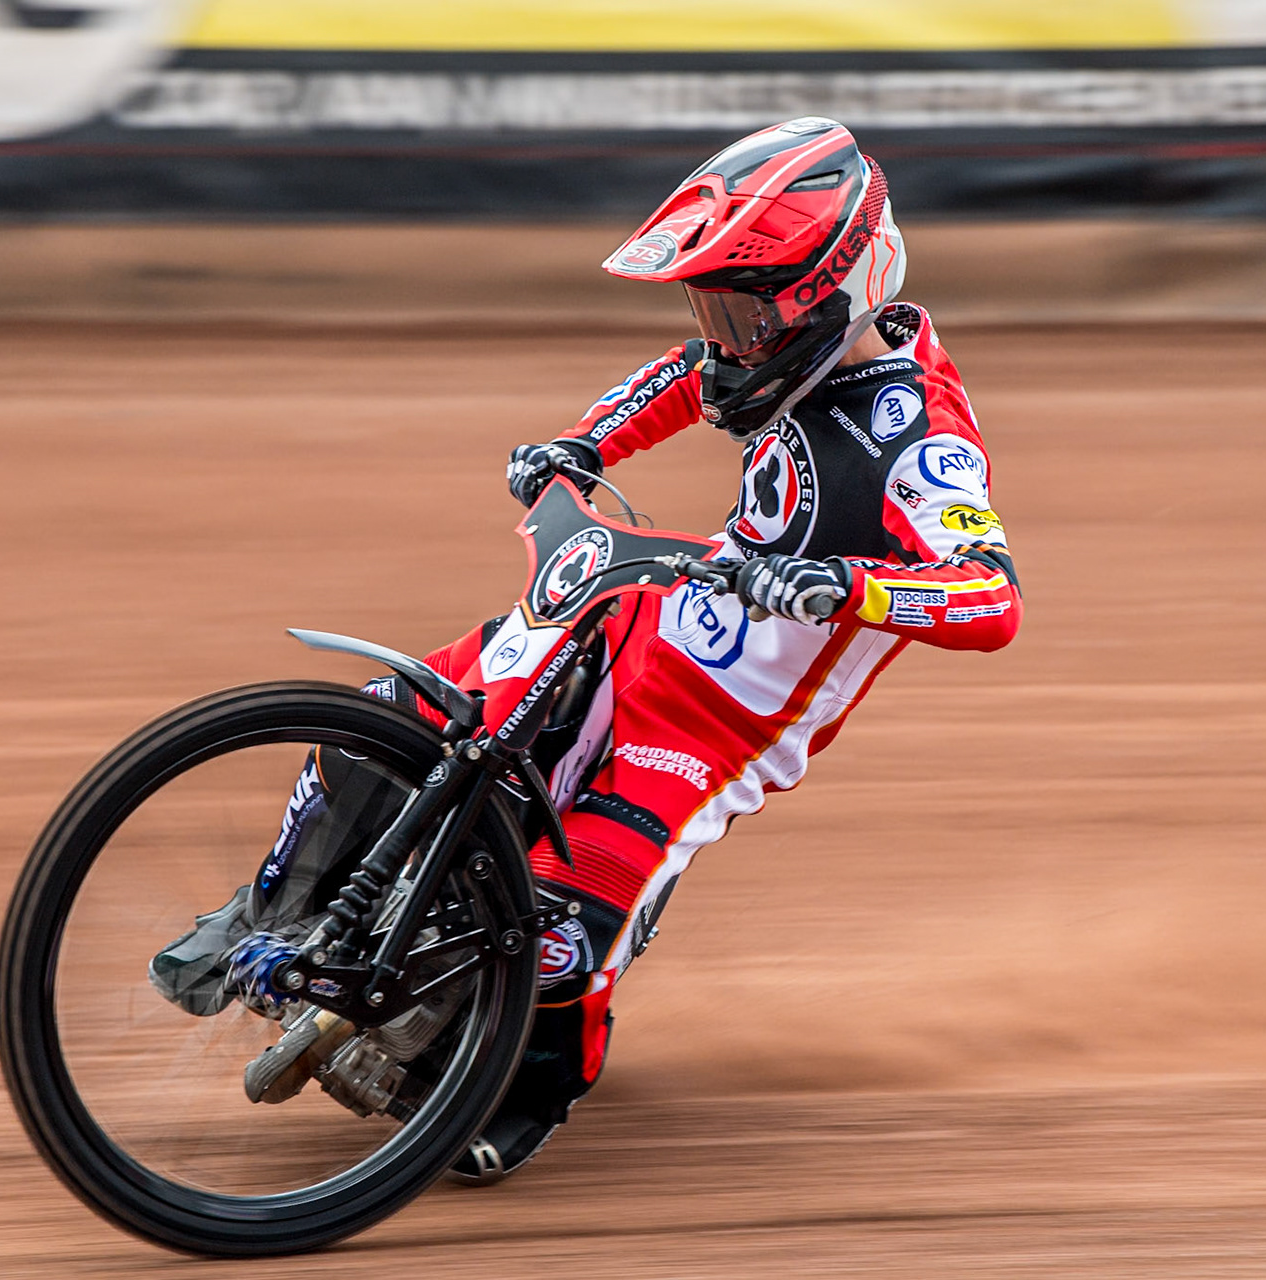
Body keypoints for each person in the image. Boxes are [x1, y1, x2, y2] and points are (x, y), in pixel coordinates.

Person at [249, 117, 1022, 1184]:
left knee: (568, 919)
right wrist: (585, 444)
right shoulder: (780, 351)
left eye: (744, 315)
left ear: (829, 295)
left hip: (718, 729)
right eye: (716, 311)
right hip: (638, 621)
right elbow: (684, 376)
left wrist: (843, 582)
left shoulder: (921, 439)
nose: (725, 340)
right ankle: (275, 908)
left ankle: (519, 1093)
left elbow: (989, 598)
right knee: (393, 709)